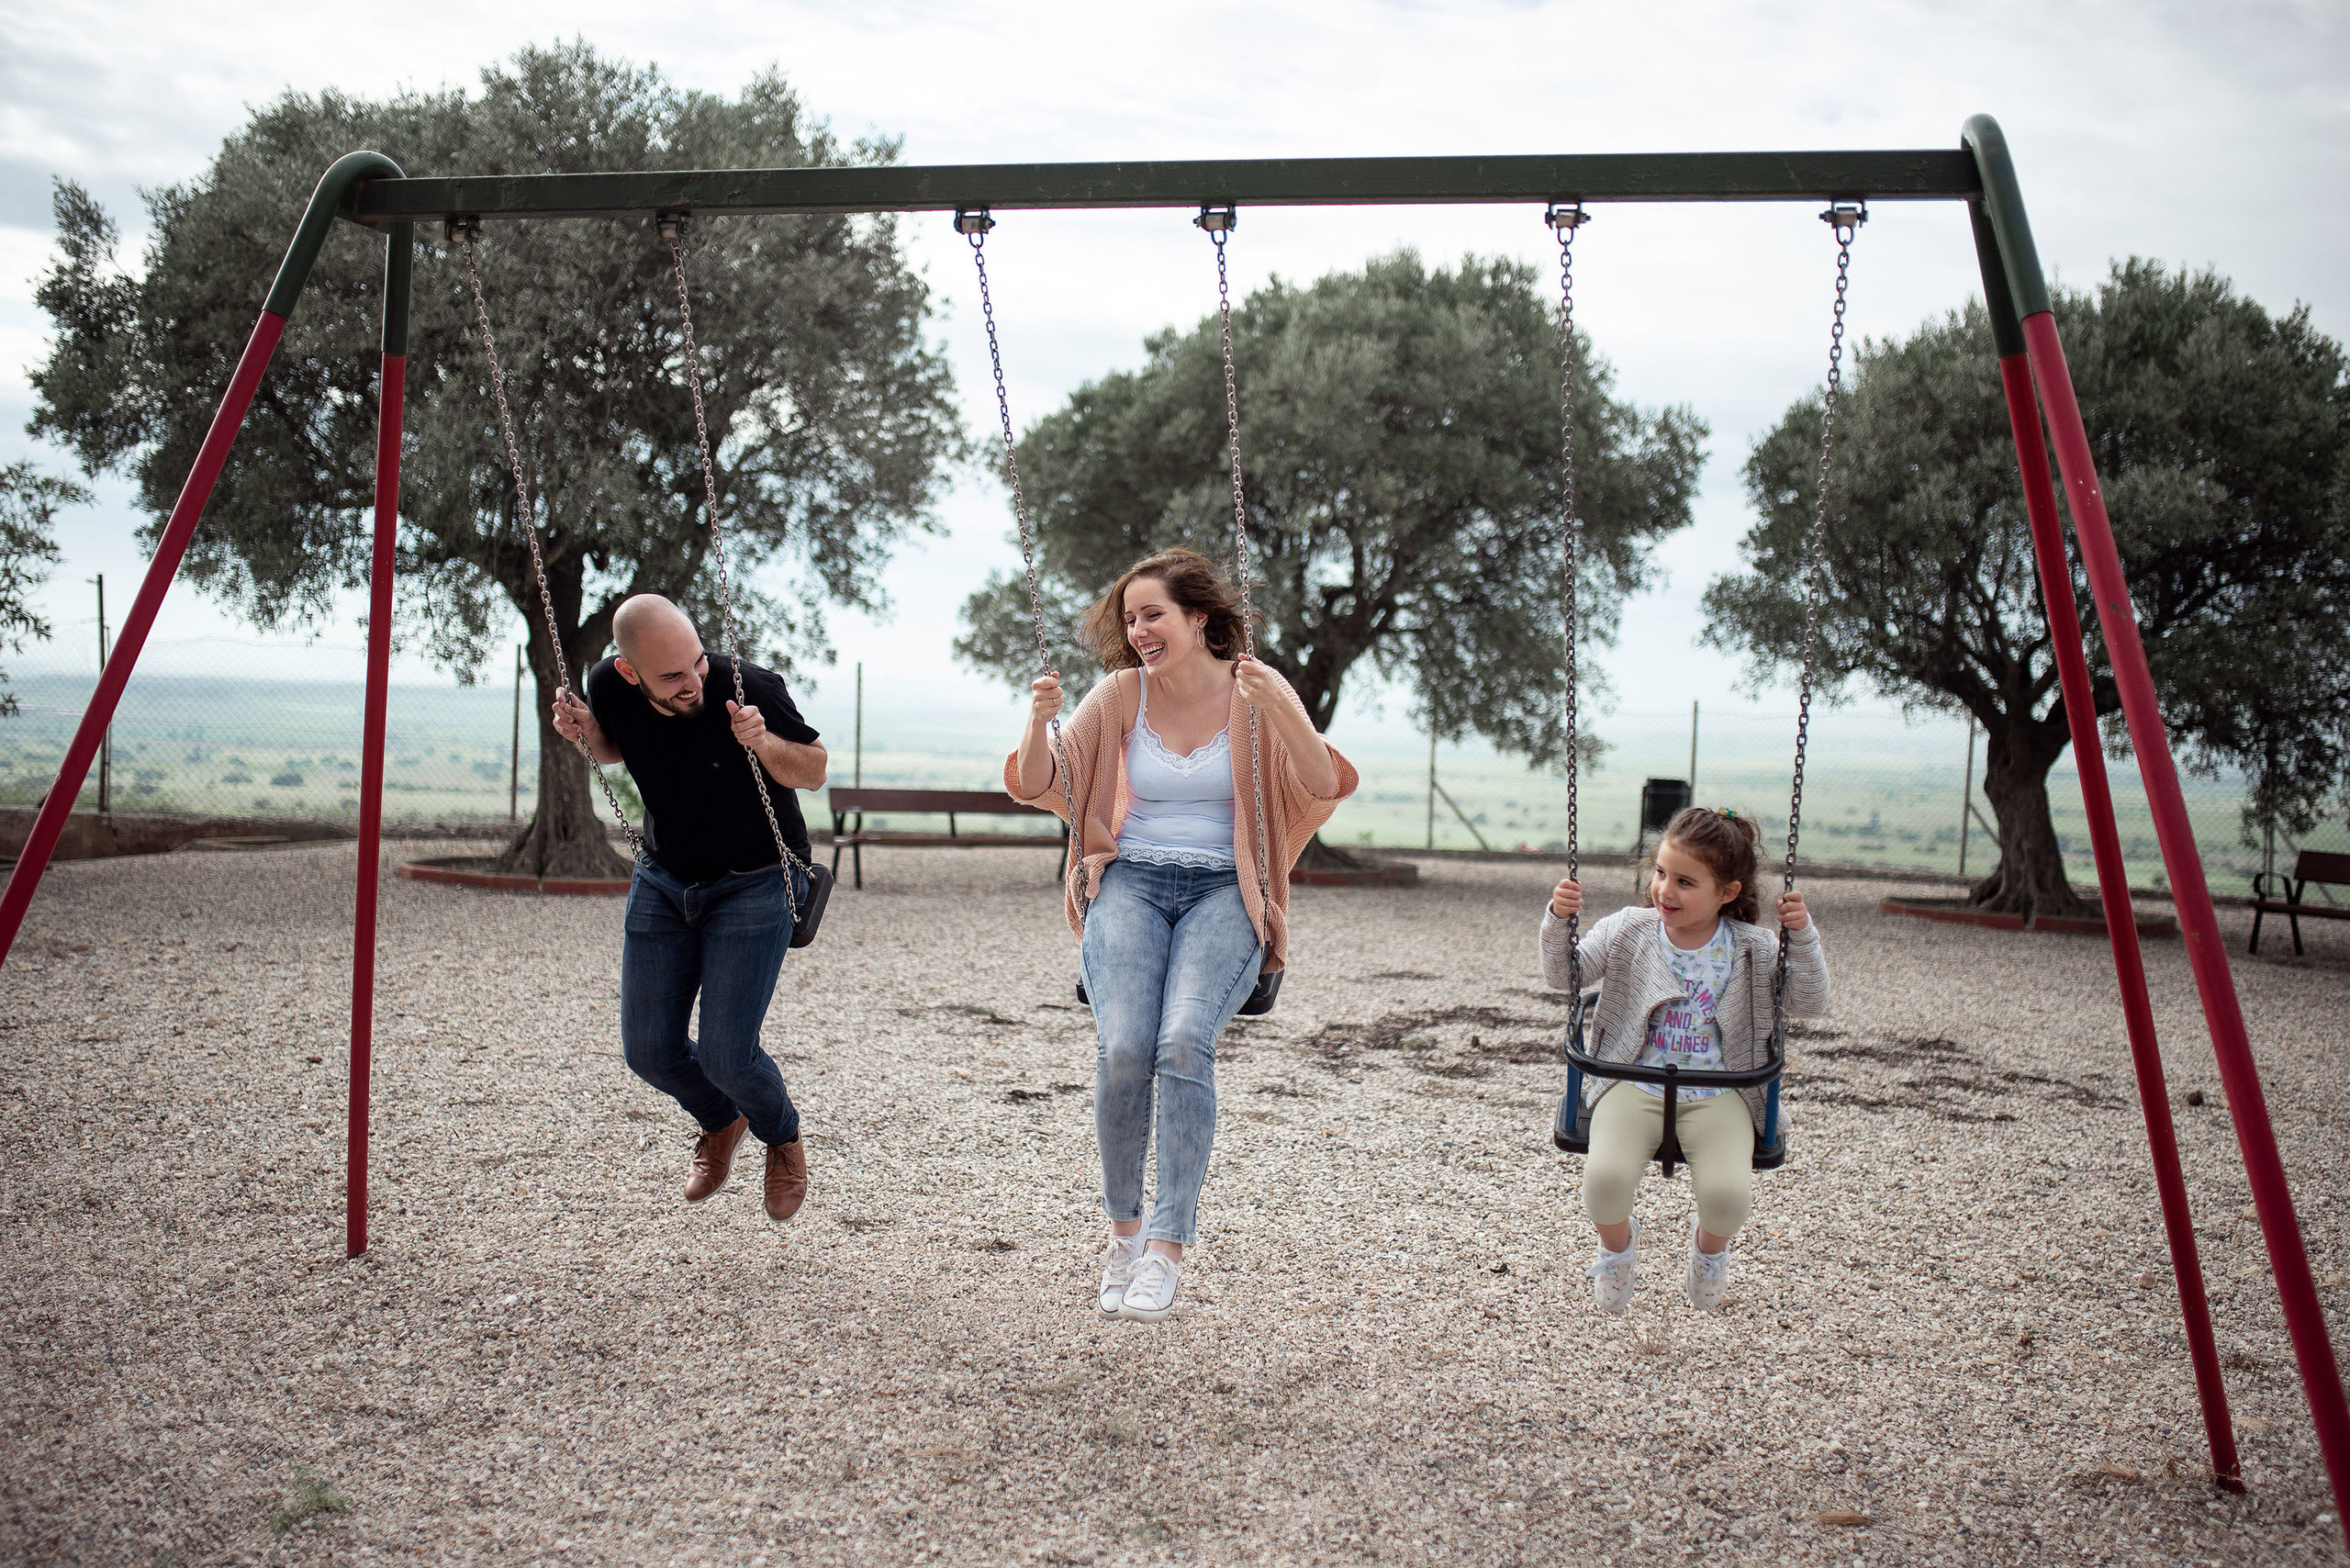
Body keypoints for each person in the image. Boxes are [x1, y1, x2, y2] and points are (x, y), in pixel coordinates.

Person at [1006, 548, 1357, 1322]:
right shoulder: (1120, 694)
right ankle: (1123, 1236)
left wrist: (1286, 710)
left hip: (1226, 888)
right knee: (1127, 1046)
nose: (1138, 631)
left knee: (1183, 1042)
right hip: (1130, 878)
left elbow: (1322, 786)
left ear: (1199, 618)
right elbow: (1038, 783)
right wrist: (1037, 723)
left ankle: (1167, 1248)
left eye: (1153, 614)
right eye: (1129, 619)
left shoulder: (1254, 693)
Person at [551, 594, 826, 1223]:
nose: (692, 682)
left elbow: (813, 770)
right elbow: (617, 746)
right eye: (672, 676)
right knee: (649, 1050)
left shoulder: (747, 686)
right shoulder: (606, 685)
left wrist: (762, 743)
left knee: (730, 1054)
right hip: (665, 877)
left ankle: (781, 1139)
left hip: (757, 878)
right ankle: (719, 1119)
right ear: (629, 672)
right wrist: (586, 733)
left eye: (697, 663)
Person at [1540, 806, 1829, 1314]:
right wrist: (1558, 921)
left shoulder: (1755, 948)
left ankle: (1708, 1254)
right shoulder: (1628, 929)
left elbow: (1808, 1002)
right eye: (1660, 874)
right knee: (1603, 1184)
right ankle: (1616, 1251)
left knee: (1727, 1198)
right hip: (1632, 1081)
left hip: (1721, 1088)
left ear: (1727, 893)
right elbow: (1565, 977)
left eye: (1685, 882)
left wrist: (1801, 937)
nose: (1664, 891)